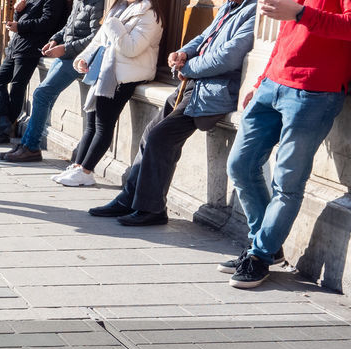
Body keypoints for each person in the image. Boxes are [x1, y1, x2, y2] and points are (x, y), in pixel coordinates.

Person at [219, 0, 351, 289]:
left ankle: (260, 254)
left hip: (315, 92)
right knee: (240, 165)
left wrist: (301, 13)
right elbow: (285, 34)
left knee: (287, 182)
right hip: (273, 84)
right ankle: (266, 245)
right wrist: (262, 78)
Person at [90, 0, 255, 225]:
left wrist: (187, 67)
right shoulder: (229, 7)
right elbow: (204, 37)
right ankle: (129, 199)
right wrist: (183, 53)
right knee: (150, 132)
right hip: (193, 85)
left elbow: (228, 57)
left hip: (214, 91)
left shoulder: (255, 11)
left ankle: (153, 209)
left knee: (160, 137)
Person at [53, 0, 162, 187]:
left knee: (103, 125)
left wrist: (113, 24)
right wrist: (83, 58)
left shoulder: (149, 15)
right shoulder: (119, 8)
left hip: (125, 76)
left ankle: (86, 171)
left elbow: (131, 49)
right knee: (91, 123)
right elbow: (99, 40)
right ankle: (78, 166)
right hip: (106, 72)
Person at [0, 0, 102, 162]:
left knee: (41, 94)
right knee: (45, 96)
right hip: (66, 53)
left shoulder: (98, 3)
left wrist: (65, 48)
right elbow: (68, 27)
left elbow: (97, 37)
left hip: (79, 57)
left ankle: (31, 146)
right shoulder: (78, 2)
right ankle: (26, 144)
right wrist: (55, 40)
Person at [0, 0, 70, 145]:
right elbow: (20, 21)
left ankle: (3, 130)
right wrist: (18, 11)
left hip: (31, 47)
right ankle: (4, 123)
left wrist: (20, 26)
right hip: (17, 46)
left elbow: (48, 22)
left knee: (17, 86)